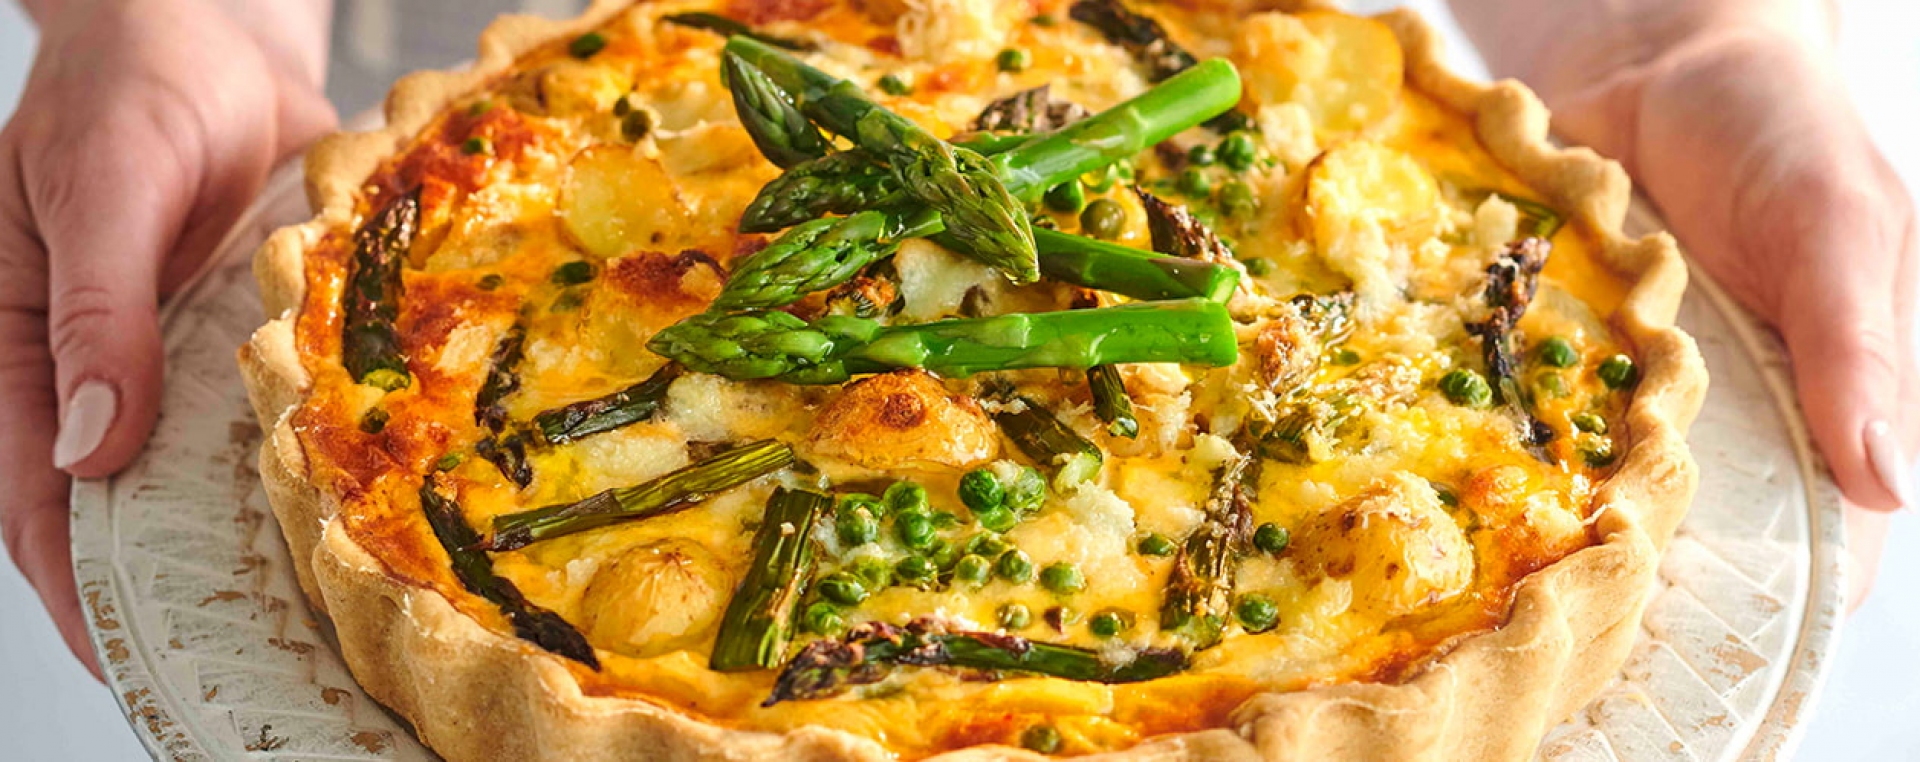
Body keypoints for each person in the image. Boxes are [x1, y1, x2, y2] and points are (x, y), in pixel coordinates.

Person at [1, 0, 1912, 678]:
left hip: (1285, 128)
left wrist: (1690, 38)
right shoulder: (409, 373)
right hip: (557, 166)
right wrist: (172, 23)